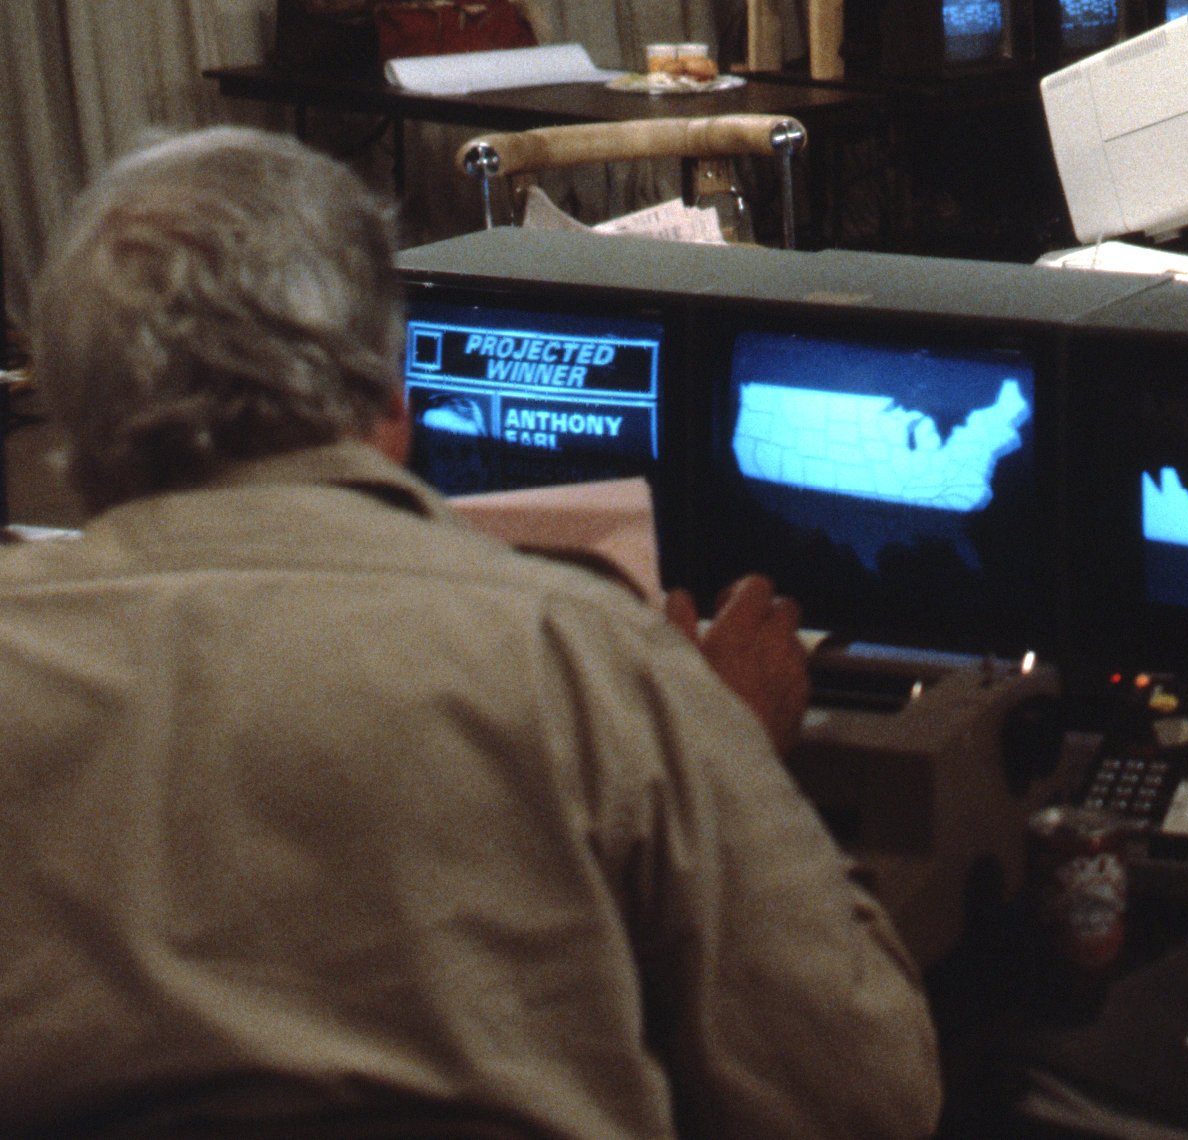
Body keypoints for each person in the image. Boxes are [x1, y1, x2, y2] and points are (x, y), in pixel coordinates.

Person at [0, 128, 942, 1140]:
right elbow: (862, 1095)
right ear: (389, 395)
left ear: (72, 422)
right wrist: (726, 748)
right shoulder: (589, 656)